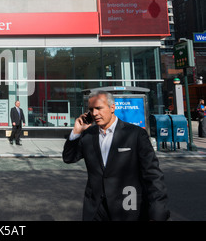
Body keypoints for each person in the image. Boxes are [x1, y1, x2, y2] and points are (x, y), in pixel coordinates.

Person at [63, 91, 170, 221]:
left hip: (127, 206)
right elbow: (68, 158)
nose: (95, 113)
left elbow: (152, 175)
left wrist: (158, 212)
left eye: (99, 108)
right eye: (91, 109)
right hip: (95, 209)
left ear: (112, 107)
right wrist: (76, 132)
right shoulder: (88, 135)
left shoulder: (135, 134)